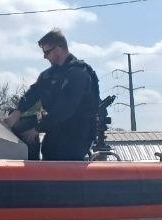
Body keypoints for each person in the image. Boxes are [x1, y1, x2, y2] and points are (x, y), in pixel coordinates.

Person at [12, 29, 101, 161]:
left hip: (75, 138)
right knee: (45, 153)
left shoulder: (78, 74)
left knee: (58, 162)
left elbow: (65, 109)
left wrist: (37, 128)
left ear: (58, 49)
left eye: (47, 52)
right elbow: (34, 92)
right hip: (55, 133)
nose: (44, 57)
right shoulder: (49, 75)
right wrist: (18, 112)